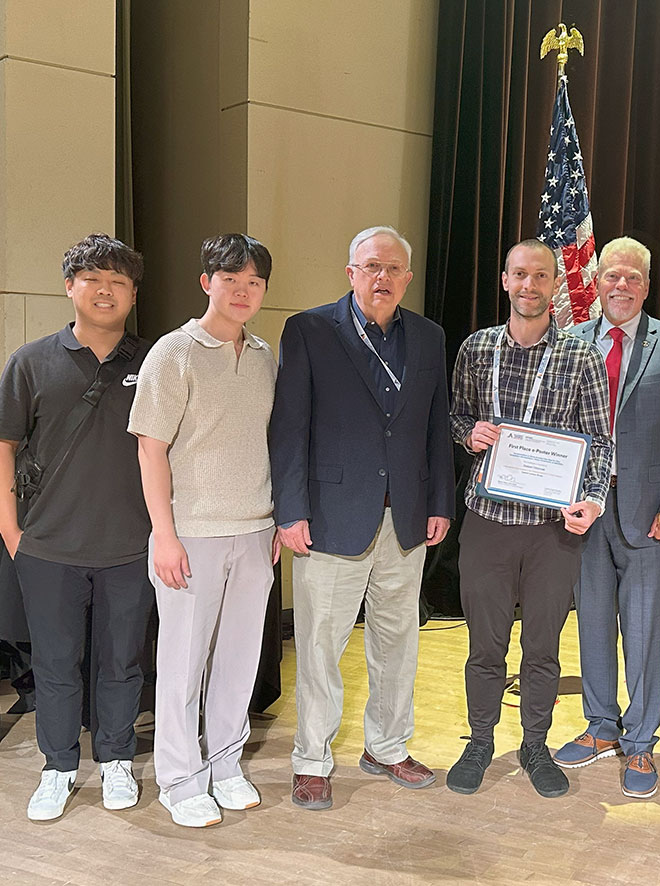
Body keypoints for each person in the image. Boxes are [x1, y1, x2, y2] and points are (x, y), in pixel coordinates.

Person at [269, 226, 454, 810]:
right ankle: (312, 759)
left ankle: (388, 746)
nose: (382, 278)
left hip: (405, 517)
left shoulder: (428, 337)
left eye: (393, 268)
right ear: (351, 273)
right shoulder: (309, 329)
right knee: (320, 645)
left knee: (398, 642)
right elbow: (289, 428)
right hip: (328, 518)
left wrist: (440, 501)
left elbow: (433, 427)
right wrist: (290, 509)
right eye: (371, 266)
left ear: (407, 277)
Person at [0, 233, 152, 821]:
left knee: (122, 662)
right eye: (93, 279)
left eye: (118, 281)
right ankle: (57, 767)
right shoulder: (31, 361)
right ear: (70, 288)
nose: (105, 290)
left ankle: (115, 761)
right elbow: (1, 446)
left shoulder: (153, 361)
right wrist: (12, 534)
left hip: (132, 547)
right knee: (56, 666)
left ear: (133, 293)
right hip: (49, 548)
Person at [446, 238, 612, 799]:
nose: (529, 286)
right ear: (504, 280)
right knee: (484, 644)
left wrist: (593, 499)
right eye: (519, 275)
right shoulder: (476, 349)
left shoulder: (581, 356)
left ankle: (535, 743)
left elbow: (600, 442)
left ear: (554, 286)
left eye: (540, 276)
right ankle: (479, 741)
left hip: (552, 531)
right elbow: (456, 415)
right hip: (487, 521)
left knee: (542, 647)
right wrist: (467, 433)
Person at [129, 233, 279, 828]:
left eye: (254, 282)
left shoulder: (264, 354)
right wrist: (163, 535)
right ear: (206, 282)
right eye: (230, 279)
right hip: (189, 533)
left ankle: (223, 764)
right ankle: (179, 777)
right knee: (183, 661)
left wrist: (272, 522)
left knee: (239, 659)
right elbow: (150, 450)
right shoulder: (173, 352)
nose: (242, 291)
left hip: (255, 530)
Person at [555, 237, 660, 799]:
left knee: (643, 631)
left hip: (649, 514)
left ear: (646, 284)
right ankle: (600, 727)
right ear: (596, 280)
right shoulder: (570, 341)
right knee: (592, 621)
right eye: (612, 276)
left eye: (633, 277)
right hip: (585, 509)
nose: (621, 286)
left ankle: (640, 741)